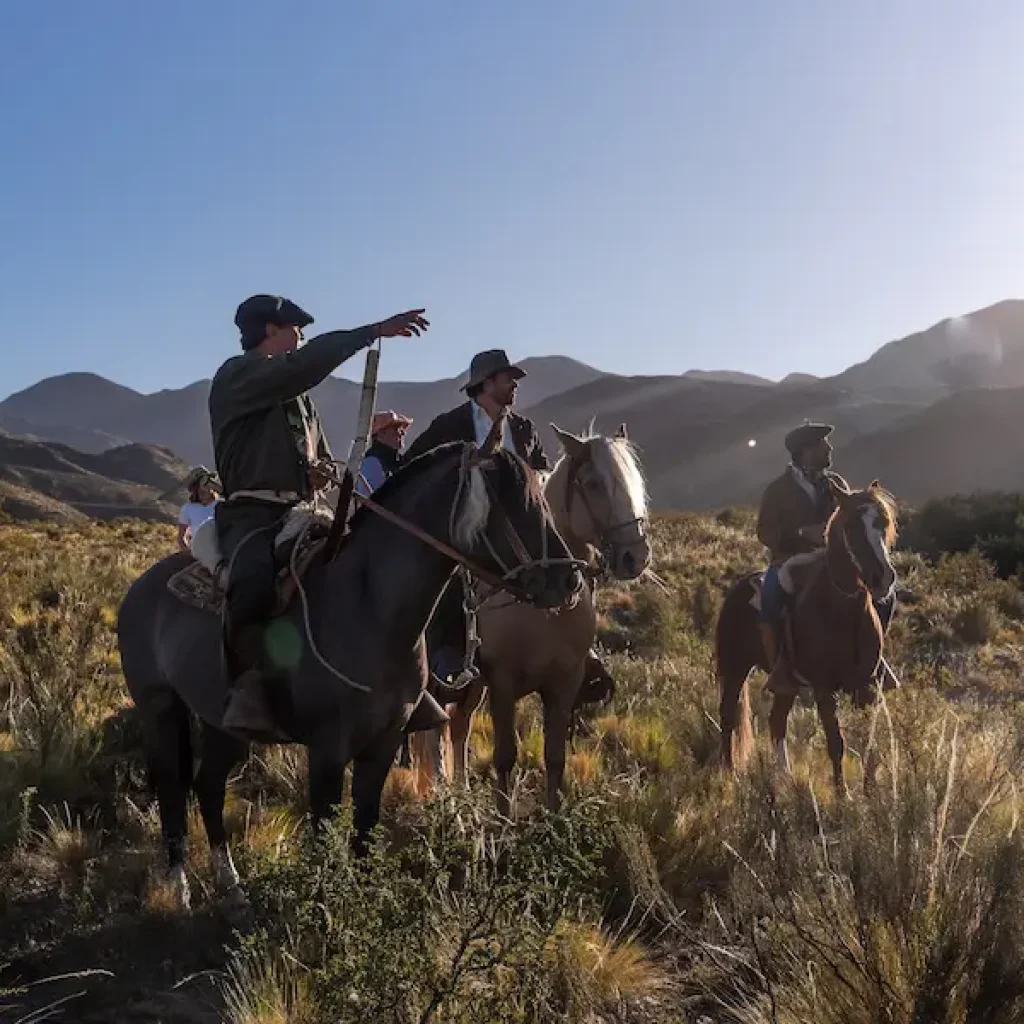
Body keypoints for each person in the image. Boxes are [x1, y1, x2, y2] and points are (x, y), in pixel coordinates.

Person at [209, 293, 429, 739]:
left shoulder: (298, 400)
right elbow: (303, 365)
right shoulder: (238, 376)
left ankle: (393, 685)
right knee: (252, 580)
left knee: (363, 566)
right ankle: (249, 688)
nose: (300, 337)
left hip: (300, 511)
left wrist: (346, 452)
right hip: (252, 515)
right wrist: (371, 332)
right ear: (270, 330)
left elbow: (321, 458)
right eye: (295, 328)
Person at [756, 421, 897, 684]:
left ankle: (873, 659)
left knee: (886, 596)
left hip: (833, 559)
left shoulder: (836, 484)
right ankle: (781, 669)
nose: (829, 448)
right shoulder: (777, 490)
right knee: (771, 597)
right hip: (789, 559)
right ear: (805, 451)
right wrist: (799, 533)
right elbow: (765, 531)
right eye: (822, 444)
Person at [405, 349, 548, 469]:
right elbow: (409, 466)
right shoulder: (447, 426)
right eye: (508, 379)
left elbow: (544, 474)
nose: (515, 385)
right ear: (487, 384)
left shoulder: (525, 429)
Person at [355, 410, 414, 496]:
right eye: (396, 428)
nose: (403, 433)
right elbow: (369, 501)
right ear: (382, 433)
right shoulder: (372, 463)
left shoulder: (390, 461)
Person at [177, 466, 221, 553]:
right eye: (199, 487)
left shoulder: (221, 504)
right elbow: (181, 538)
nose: (204, 490)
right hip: (199, 553)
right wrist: (190, 553)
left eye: (206, 485)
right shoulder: (188, 508)